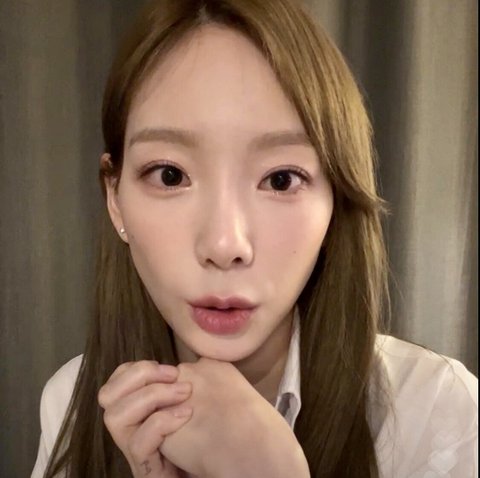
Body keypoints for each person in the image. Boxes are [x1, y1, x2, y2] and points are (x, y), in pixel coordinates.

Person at [31, 0, 477, 477]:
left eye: (281, 180)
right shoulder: (74, 402)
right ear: (115, 199)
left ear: (335, 199)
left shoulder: (437, 415)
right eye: (169, 175)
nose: (225, 246)